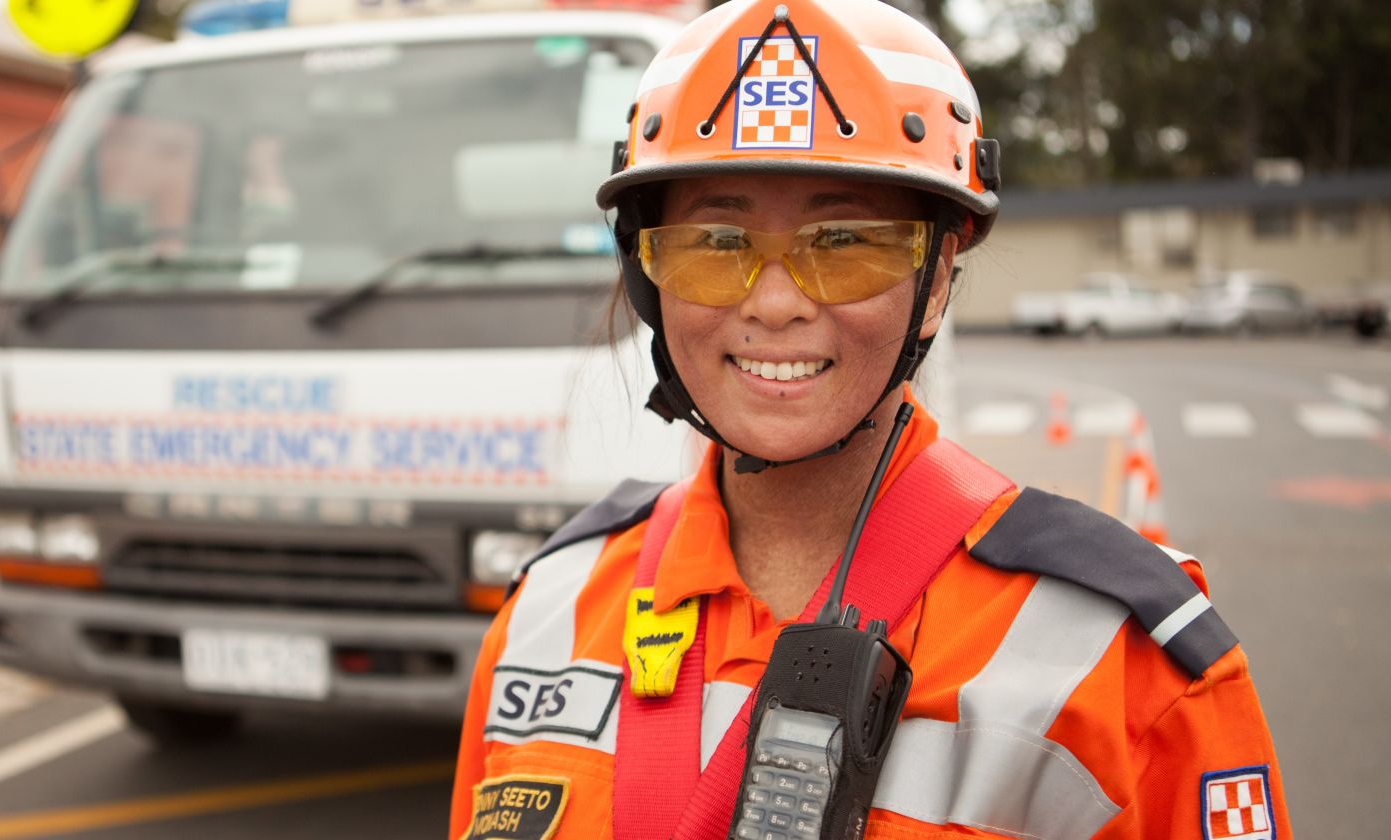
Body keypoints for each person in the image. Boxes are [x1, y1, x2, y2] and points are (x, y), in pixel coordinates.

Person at [450, 1, 1290, 838]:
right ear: (648, 271)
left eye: (845, 240)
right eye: (715, 241)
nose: (774, 304)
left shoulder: (1119, 660)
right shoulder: (548, 611)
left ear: (938, 275)